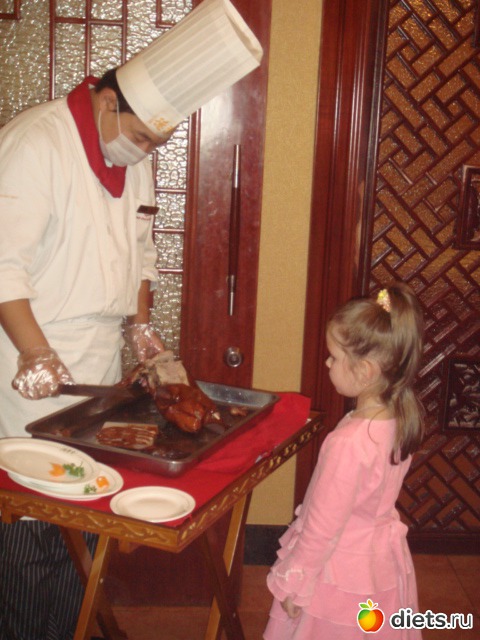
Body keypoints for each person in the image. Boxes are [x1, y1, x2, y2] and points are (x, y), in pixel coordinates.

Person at [0, 1, 263, 637]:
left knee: (84, 516)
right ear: (106, 100)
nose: (143, 151)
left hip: (93, 365)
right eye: (141, 136)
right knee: (31, 527)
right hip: (23, 362)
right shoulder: (36, 141)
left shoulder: (134, 161)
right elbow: (2, 263)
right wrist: (35, 353)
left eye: (154, 143)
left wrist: (140, 329)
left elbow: (141, 253)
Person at [264, 283, 425, 640]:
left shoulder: (348, 443)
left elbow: (322, 527)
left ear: (365, 371)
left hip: (338, 570)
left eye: (334, 357)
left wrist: (296, 586)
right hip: (378, 563)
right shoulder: (399, 418)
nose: (327, 363)